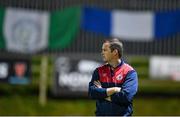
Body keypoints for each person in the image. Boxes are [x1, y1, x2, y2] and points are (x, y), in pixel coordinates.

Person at [88, 38, 138, 116]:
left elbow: (125, 97)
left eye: (105, 50)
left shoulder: (130, 72)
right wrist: (114, 89)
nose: (102, 53)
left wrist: (102, 93)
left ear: (115, 52)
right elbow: (92, 93)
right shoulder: (98, 71)